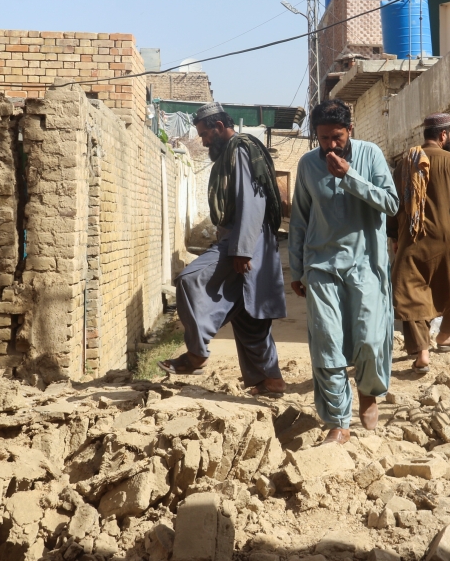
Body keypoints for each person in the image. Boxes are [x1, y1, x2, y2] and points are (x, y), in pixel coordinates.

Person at [289, 99, 400, 444]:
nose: (330, 146)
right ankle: (338, 420)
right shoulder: (308, 165)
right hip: (321, 266)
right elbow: (300, 219)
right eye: (323, 139)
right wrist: (297, 269)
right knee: (327, 343)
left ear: (350, 130)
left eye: (336, 137)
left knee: (368, 338)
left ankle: (368, 392)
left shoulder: (370, 155)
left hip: (365, 264)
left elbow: (391, 203)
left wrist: (349, 176)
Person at [160, 102, 288, 397]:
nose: (203, 142)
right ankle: (271, 381)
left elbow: (252, 201)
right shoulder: (233, 152)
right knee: (247, 314)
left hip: (245, 241)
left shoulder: (240, 149)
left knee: (190, 280)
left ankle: (195, 354)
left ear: (219, 127)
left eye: (205, 135)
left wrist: (242, 250)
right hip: (245, 240)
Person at [389, 113, 450, 374]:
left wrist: (394, 237)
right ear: (443, 135)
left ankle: (422, 352)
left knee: (411, 293)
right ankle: (446, 334)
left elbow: (393, 203)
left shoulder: (405, 163)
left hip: (412, 239)